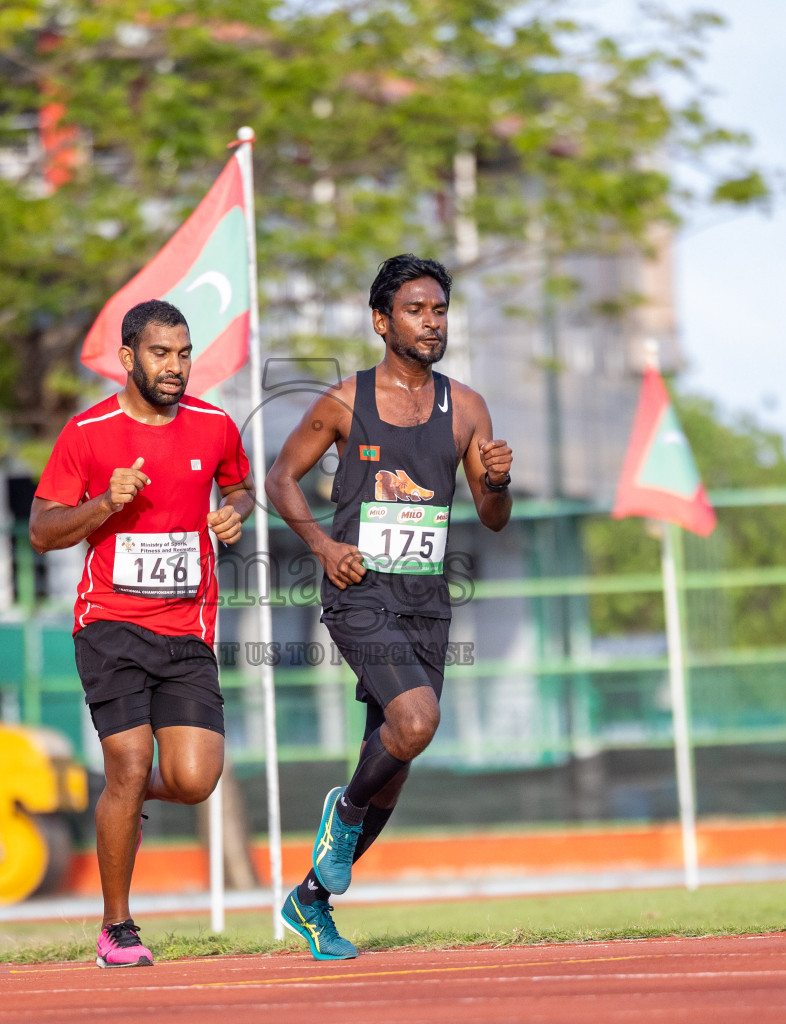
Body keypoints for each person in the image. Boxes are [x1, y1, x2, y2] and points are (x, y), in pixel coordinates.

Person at [265, 254, 514, 959]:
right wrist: (319, 544)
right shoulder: (347, 400)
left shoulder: (466, 407)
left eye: (439, 310)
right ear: (382, 321)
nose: (431, 323)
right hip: (359, 592)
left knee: (398, 760)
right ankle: (340, 815)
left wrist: (496, 481)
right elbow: (282, 478)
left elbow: (493, 516)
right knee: (417, 719)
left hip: (426, 603)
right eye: (415, 310)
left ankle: (311, 900)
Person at [29, 298, 253, 969]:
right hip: (111, 625)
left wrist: (232, 513)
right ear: (128, 358)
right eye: (161, 353)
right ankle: (116, 928)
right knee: (128, 762)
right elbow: (42, 532)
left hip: (188, 628)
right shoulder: (88, 433)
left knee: (193, 778)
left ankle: (121, 802)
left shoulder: (214, 425)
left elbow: (239, 487)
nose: (175, 367)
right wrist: (105, 504)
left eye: (184, 354)